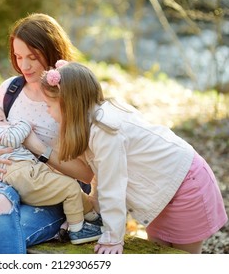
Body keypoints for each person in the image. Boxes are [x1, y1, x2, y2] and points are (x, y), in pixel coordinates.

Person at [39, 60, 228, 254]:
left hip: (186, 186)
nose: (47, 111)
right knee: (157, 252)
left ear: (67, 105)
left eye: (49, 105)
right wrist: (94, 209)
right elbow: (101, 174)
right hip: (161, 193)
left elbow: (113, 185)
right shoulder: (93, 122)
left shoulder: (105, 129)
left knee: (184, 258)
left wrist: (113, 238)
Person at [0, 13, 97, 253]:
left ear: (52, 52)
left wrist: (38, 148)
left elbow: (86, 173)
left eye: (33, 57)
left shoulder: (68, 96)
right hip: (4, 185)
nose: (24, 66)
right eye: (18, 57)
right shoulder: (10, 89)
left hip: (50, 193)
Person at [0, 104, 102, 244]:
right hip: (23, 174)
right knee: (70, 187)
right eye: (2, 120)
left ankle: (92, 216)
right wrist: (24, 124)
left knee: (66, 187)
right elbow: (14, 138)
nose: (8, 122)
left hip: (28, 172)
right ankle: (77, 230)